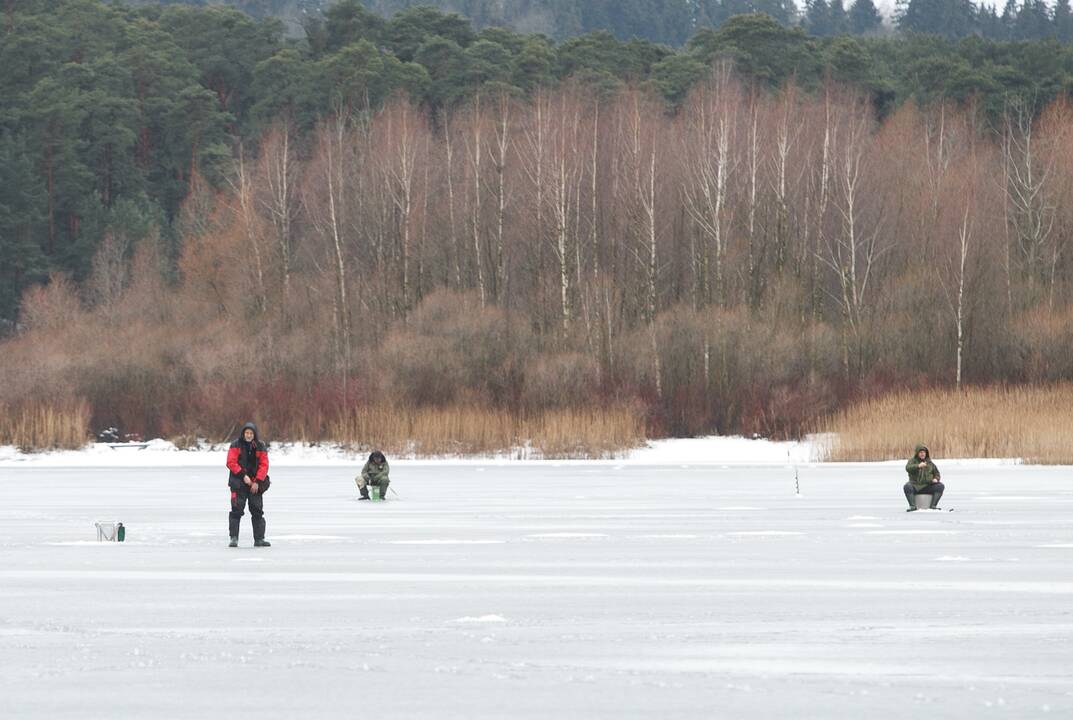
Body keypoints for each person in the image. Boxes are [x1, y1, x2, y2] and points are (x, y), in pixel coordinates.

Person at [226, 422, 271, 546]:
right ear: (243, 433)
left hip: (254, 485)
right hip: (238, 483)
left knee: (257, 511)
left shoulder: (260, 446)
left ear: (254, 434)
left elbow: (264, 465)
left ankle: (259, 539)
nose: (249, 435)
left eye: (251, 433)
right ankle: (234, 538)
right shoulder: (235, 445)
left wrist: (257, 481)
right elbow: (231, 462)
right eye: (247, 433)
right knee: (236, 511)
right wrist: (243, 476)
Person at [904, 443, 943, 511]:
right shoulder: (912, 461)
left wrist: (936, 479)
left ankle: (933, 506)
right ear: (917, 453)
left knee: (940, 486)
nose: (923, 454)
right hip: (915, 485)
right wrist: (918, 466)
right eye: (921, 452)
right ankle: (913, 506)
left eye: (924, 452)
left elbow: (937, 473)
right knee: (907, 486)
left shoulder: (930, 463)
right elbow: (908, 468)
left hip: (927, 486)